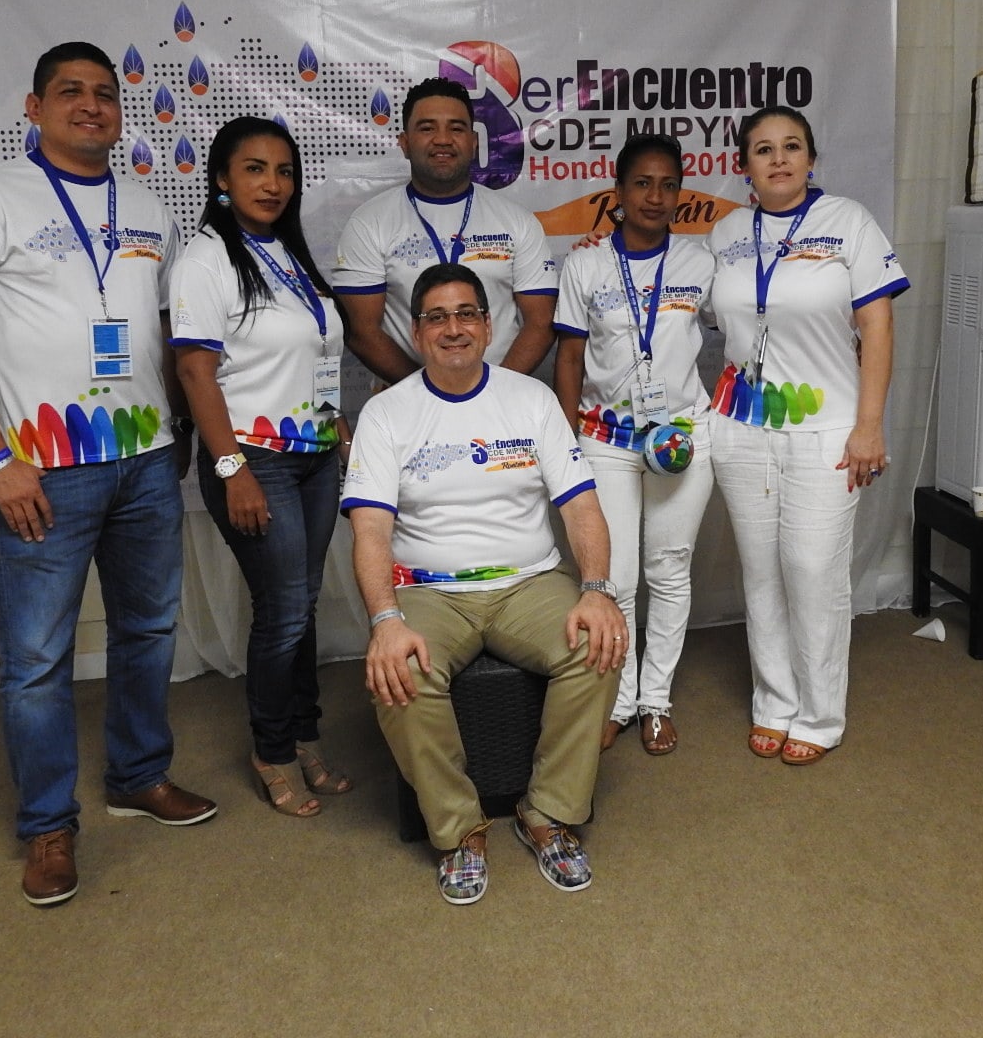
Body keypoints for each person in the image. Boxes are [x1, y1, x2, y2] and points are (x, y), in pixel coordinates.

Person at [0, 41, 216, 908]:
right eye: (70, 92)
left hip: (145, 463)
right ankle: (48, 825)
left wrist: (180, 433)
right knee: (36, 659)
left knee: (148, 631)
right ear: (35, 106)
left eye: (104, 93)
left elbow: (164, 333)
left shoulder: (149, 206)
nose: (91, 105)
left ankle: (138, 775)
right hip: (42, 473)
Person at [343, 263, 626, 905]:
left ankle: (548, 813)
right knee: (399, 672)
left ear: (489, 326)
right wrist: (385, 621)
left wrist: (597, 589)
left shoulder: (531, 400)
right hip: (428, 590)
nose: (454, 328)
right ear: (417, 331)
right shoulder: (386, 414)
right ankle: (460, 830)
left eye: (466, 313)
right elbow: (370, 532)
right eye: (437, 317)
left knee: (599, 643)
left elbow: (582, 507)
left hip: (529, 582)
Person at [705, 106, 909, 766]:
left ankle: (820, 715)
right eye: (763, 149)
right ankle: (774, 702)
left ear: (811, 159)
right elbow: (675, 294)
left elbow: (877, 326)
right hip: (742, 428)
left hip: (828, 430)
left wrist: (870, 426)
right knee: (761, 572)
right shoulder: (726, 233)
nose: (779, 159)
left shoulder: (848, 222)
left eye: (792, 146)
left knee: (813, 571)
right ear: (743, 165)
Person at [169, 117, 353, 820]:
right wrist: (231, 468)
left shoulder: (288, 253)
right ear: (221, 179)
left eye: (284, 171)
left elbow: (316, 352)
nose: (273, 184)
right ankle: (272, 749)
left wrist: (334, 421)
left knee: (300, 608)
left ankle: (305, 735)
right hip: (254, 458)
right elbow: (195, 370)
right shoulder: (207, 259)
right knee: (282, 613)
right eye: (254, 169)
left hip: (315, 456)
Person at [553, 134, 715, 756]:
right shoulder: (586, 263)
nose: (655, 196)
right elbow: (569, 358)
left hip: (680, 438)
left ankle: (656, 701)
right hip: (606, 437)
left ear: (680, 193)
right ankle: (618, 702)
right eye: (642, 183)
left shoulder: (700, 262)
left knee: (668, 570)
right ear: (618, 190)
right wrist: (566, 442)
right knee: (613, 578)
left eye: (668, 184)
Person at [331, 77, 558, 382]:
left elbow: (540, 323)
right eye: (427, 128)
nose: (442, 139)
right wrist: (427, 394)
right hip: (408, 400)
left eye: (456, 128)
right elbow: (362, 331)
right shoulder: (369, 223)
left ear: (474, 142)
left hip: (501, 398)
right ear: (405, 143)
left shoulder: (517, 221)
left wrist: (494, 393)